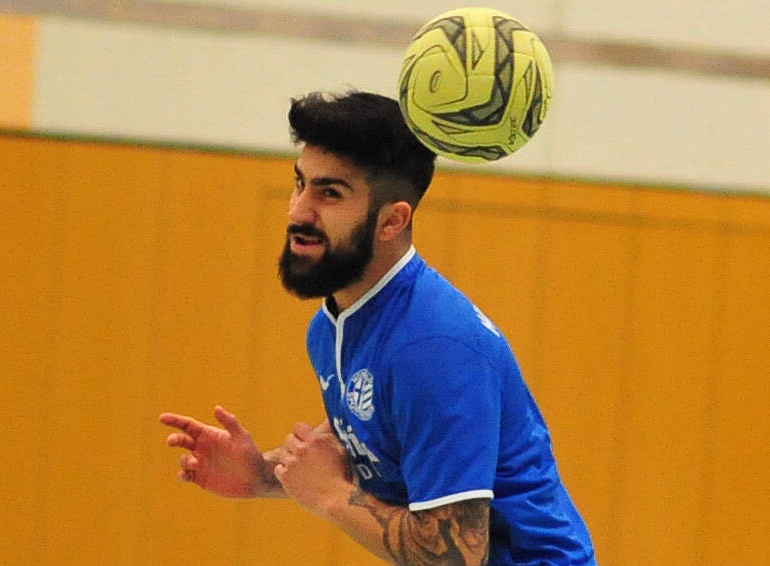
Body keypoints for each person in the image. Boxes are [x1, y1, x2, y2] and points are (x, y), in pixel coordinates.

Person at [160, 90, 597, 565]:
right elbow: (365, 446)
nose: (298, 211)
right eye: (300, 184)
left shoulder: (435, 347)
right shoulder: (331, 326)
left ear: (392, 221)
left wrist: (331, 498)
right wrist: (262, 476)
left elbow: (456, 556)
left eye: (330, 193)